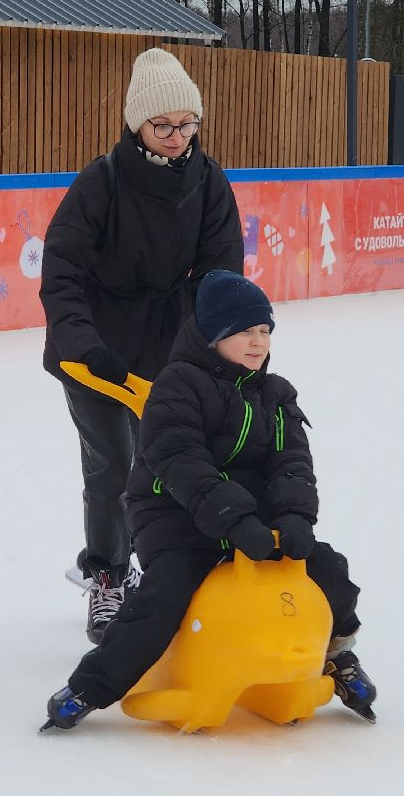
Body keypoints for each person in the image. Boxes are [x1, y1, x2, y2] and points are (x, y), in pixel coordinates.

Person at [41, 271, 376, 730]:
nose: (258, 342)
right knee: (169, 591)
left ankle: (337, 658)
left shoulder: (276, 394)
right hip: (174, 516)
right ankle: (90, 686)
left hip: (251, 520)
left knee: (327, 569)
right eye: (243, 332)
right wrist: (233, 520)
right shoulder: (176, 387)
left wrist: (295, 518)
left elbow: (291, 464)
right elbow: (182, 462)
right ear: (212, 336)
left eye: (264, 331)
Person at [40, 48, 244, 642]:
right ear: (137, 125)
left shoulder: (209, 184)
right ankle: (107, 576)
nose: (178, 136)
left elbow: (219, 276)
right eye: (164, 125)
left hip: (171, 348)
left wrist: (217, 345)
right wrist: (82, 342)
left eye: (188, 124)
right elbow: (62, 271)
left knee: (173, 463)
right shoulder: (100, 182)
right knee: (112, 463)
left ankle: (175, 573)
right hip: (96, 352)